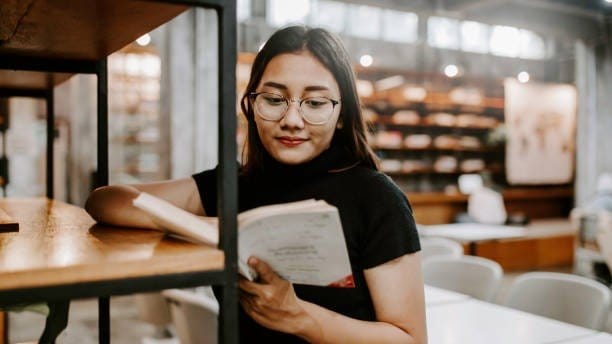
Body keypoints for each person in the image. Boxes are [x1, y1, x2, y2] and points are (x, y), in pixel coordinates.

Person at [86, 26, 426, 343]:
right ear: (251, 105)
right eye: (274, 100)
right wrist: (223, 230)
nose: (292, 121)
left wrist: (300, 318)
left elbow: (410, 338)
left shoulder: (376, 198)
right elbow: (105, 201)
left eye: (316, 103)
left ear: (341, 115)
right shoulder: (232, 185)